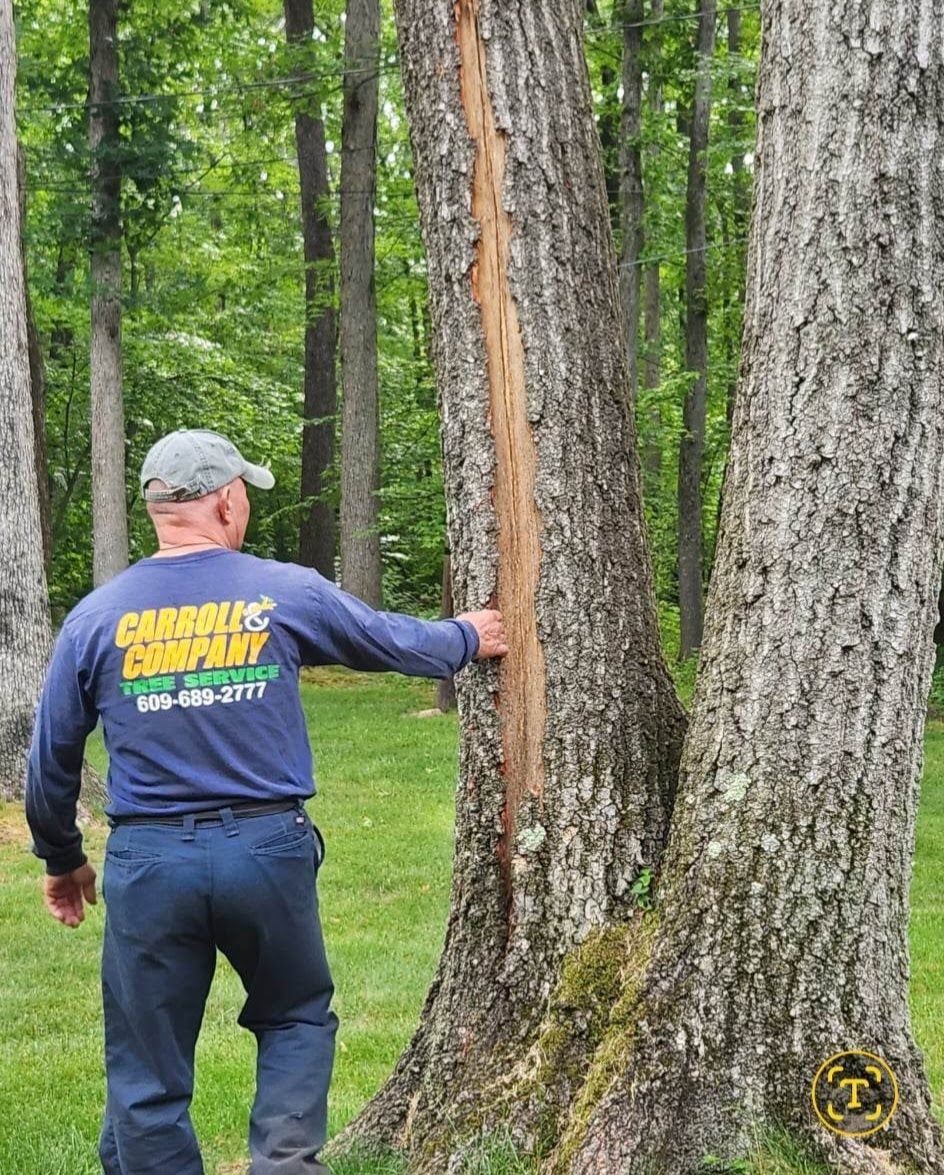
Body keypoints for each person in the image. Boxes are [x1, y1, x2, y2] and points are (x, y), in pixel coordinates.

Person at [25, 427, 508, 1175]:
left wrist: (62, 859)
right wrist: (465, 636)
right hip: (266, 851)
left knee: (147, 1072)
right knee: (293, 1016)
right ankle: (284, 1165)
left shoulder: (96, 617)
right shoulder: (282, 591)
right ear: (223, 502)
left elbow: (51, 758)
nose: (244, 504)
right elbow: (386, 642)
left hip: (148, 863)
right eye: (242, 492)